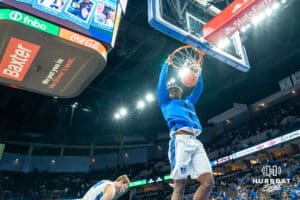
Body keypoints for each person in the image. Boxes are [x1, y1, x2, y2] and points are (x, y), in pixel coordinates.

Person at [157, 56, 214, 200]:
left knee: (208, 183)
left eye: (177, 90)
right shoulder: (165, 103)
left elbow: (199, 88)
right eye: (171, 90)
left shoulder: (188, 102)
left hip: (195, 141)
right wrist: (166, 65)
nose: (174, 91)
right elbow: (161, 85)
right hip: (180, 141)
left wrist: (198, 73)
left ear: (181, 93)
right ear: (168, 94)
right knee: (180, 184)